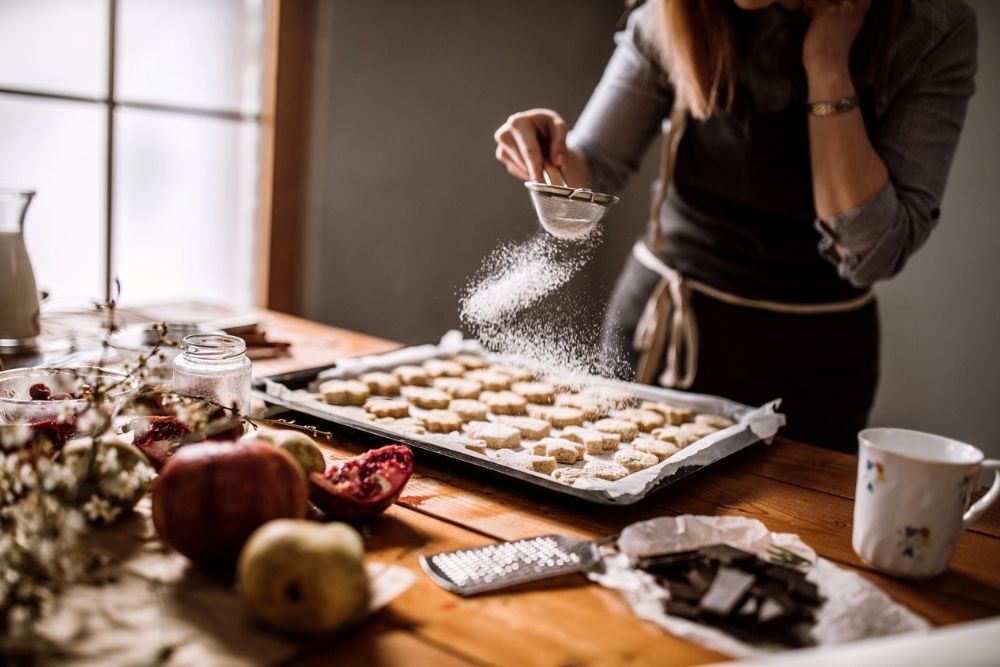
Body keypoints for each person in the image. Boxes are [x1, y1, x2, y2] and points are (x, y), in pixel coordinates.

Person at [493, 0, 977, 452]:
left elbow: (874, 251)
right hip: (664, 337)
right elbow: (594, 166)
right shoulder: (677, 12)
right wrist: (550, 157)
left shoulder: (926, 29)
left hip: (815, 365)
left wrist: (828, 67)